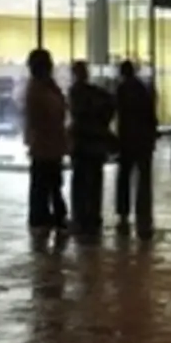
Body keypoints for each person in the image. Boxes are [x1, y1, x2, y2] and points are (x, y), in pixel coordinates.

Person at [22, 48, 69, 234]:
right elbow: (52, 112)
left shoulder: (44, 87)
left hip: (47, 143)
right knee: (46, 182)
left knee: (49, 181)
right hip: (45, 143)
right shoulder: (39, 89)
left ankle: (50, 216)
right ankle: (46, 216)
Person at [68, 61, 116, 238]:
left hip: (83, 144)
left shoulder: (76, 92)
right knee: (94, 181)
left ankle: (81, 217)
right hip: (95, 144)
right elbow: (110, 104)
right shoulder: (96, 93)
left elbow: (77, 114)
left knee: (81, 182)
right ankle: (92, 216)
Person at [113, 60, 159, 238]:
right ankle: (143, 212)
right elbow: (150, 114)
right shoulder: (143, 89)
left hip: (126, 139)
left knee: (124, 176)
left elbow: (118, 113)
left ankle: (123, 212)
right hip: (143, 139)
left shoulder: (121, 89)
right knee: (144, 178)